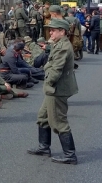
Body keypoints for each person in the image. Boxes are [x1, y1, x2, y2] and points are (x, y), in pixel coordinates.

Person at [27, 18, 79, 165]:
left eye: (53, 30)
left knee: (58, 121)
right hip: (54, 87)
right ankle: (44, 147)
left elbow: (56, 68)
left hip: (57, 88)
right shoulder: (59, 43)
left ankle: (70, 155)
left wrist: (49, 82)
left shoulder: (63, 46)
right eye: (50, 30)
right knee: (43, 117)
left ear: (62, 32)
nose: (50, 32)